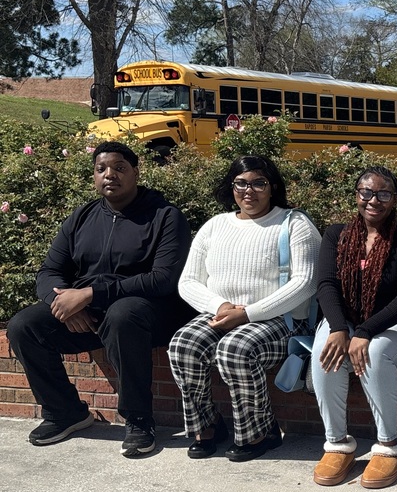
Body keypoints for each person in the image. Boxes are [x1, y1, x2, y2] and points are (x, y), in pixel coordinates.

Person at [7, 142, 191, 456]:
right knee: (23, 326)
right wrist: (66, 304)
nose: (110, 175)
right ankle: (65, 412)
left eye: (120, 167)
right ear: (94, 175)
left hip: (149, 314)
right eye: (101, 168)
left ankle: (138, 419)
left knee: (123, 314)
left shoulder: (165, 216)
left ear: (135, 172)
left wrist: (91, 294)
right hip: (90, 316)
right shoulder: (82, 218)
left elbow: (164, 279)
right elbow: (49, 271)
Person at [168, 156, 320, 462]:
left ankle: (261, 432)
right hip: (222, 314)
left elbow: (305, 283)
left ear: (273, 187)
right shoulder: (215, 226)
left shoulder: (294, 224)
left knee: (236, 348)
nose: (248, 191)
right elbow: (188, 282)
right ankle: (207, 426)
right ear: (231, 187)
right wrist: (220, 306)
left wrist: (248, 314)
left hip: (282, 320)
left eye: (258, 183)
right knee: (183, 345)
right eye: (241, 183)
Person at [310, 166, 397, 489]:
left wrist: (364, 331)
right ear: (356, 196)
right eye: (367, 192)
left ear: (395, 200)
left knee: (374, 352)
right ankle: (337, 444)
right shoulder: (337, 235)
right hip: (346, 322)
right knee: (326, 349)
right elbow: (326, 284)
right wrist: (339, 327)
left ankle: (389, 447)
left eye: (383, 193)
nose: (374, 200)